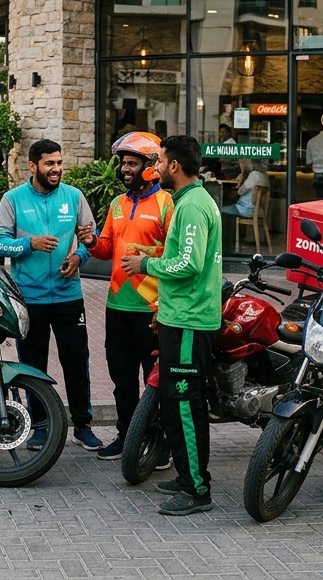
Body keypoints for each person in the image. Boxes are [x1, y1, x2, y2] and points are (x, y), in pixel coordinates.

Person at [121, 135, 223, 516]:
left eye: (160, 161)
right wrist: (150, 253)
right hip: (178, 318)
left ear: (175, 166)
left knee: (185, 406)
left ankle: (197, 489)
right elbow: (180, 254)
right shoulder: (187, 202)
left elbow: (189, 264)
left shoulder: (193, 205)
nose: (155, 167)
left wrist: (145, 266)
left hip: (188, 321)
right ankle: (186, 477)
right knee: (175, 403)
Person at [0, 139, 101, 451]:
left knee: (76, 363)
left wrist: (79, 256)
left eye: (58, 163)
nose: (56, 169)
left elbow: (89, 238)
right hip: (30, 299)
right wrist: (30, 244)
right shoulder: (13, 199)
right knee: (33, 365)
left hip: (69, 296)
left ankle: (83, 425)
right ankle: (39, 426)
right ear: (33, 166)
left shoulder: (74, 196)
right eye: (49, 164)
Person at [77, 132, 174, 462]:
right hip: (117, 305)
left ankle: (157, 442)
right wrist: (91, 241)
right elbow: (107, 251)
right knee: (121, 379)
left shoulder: (167, 204)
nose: (125, 169)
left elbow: (175, 258)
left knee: (154, 381)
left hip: (151, 308)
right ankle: (126, 435)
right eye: (123, 163)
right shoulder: (117, 204)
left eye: (132, 163)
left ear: (150, 166)